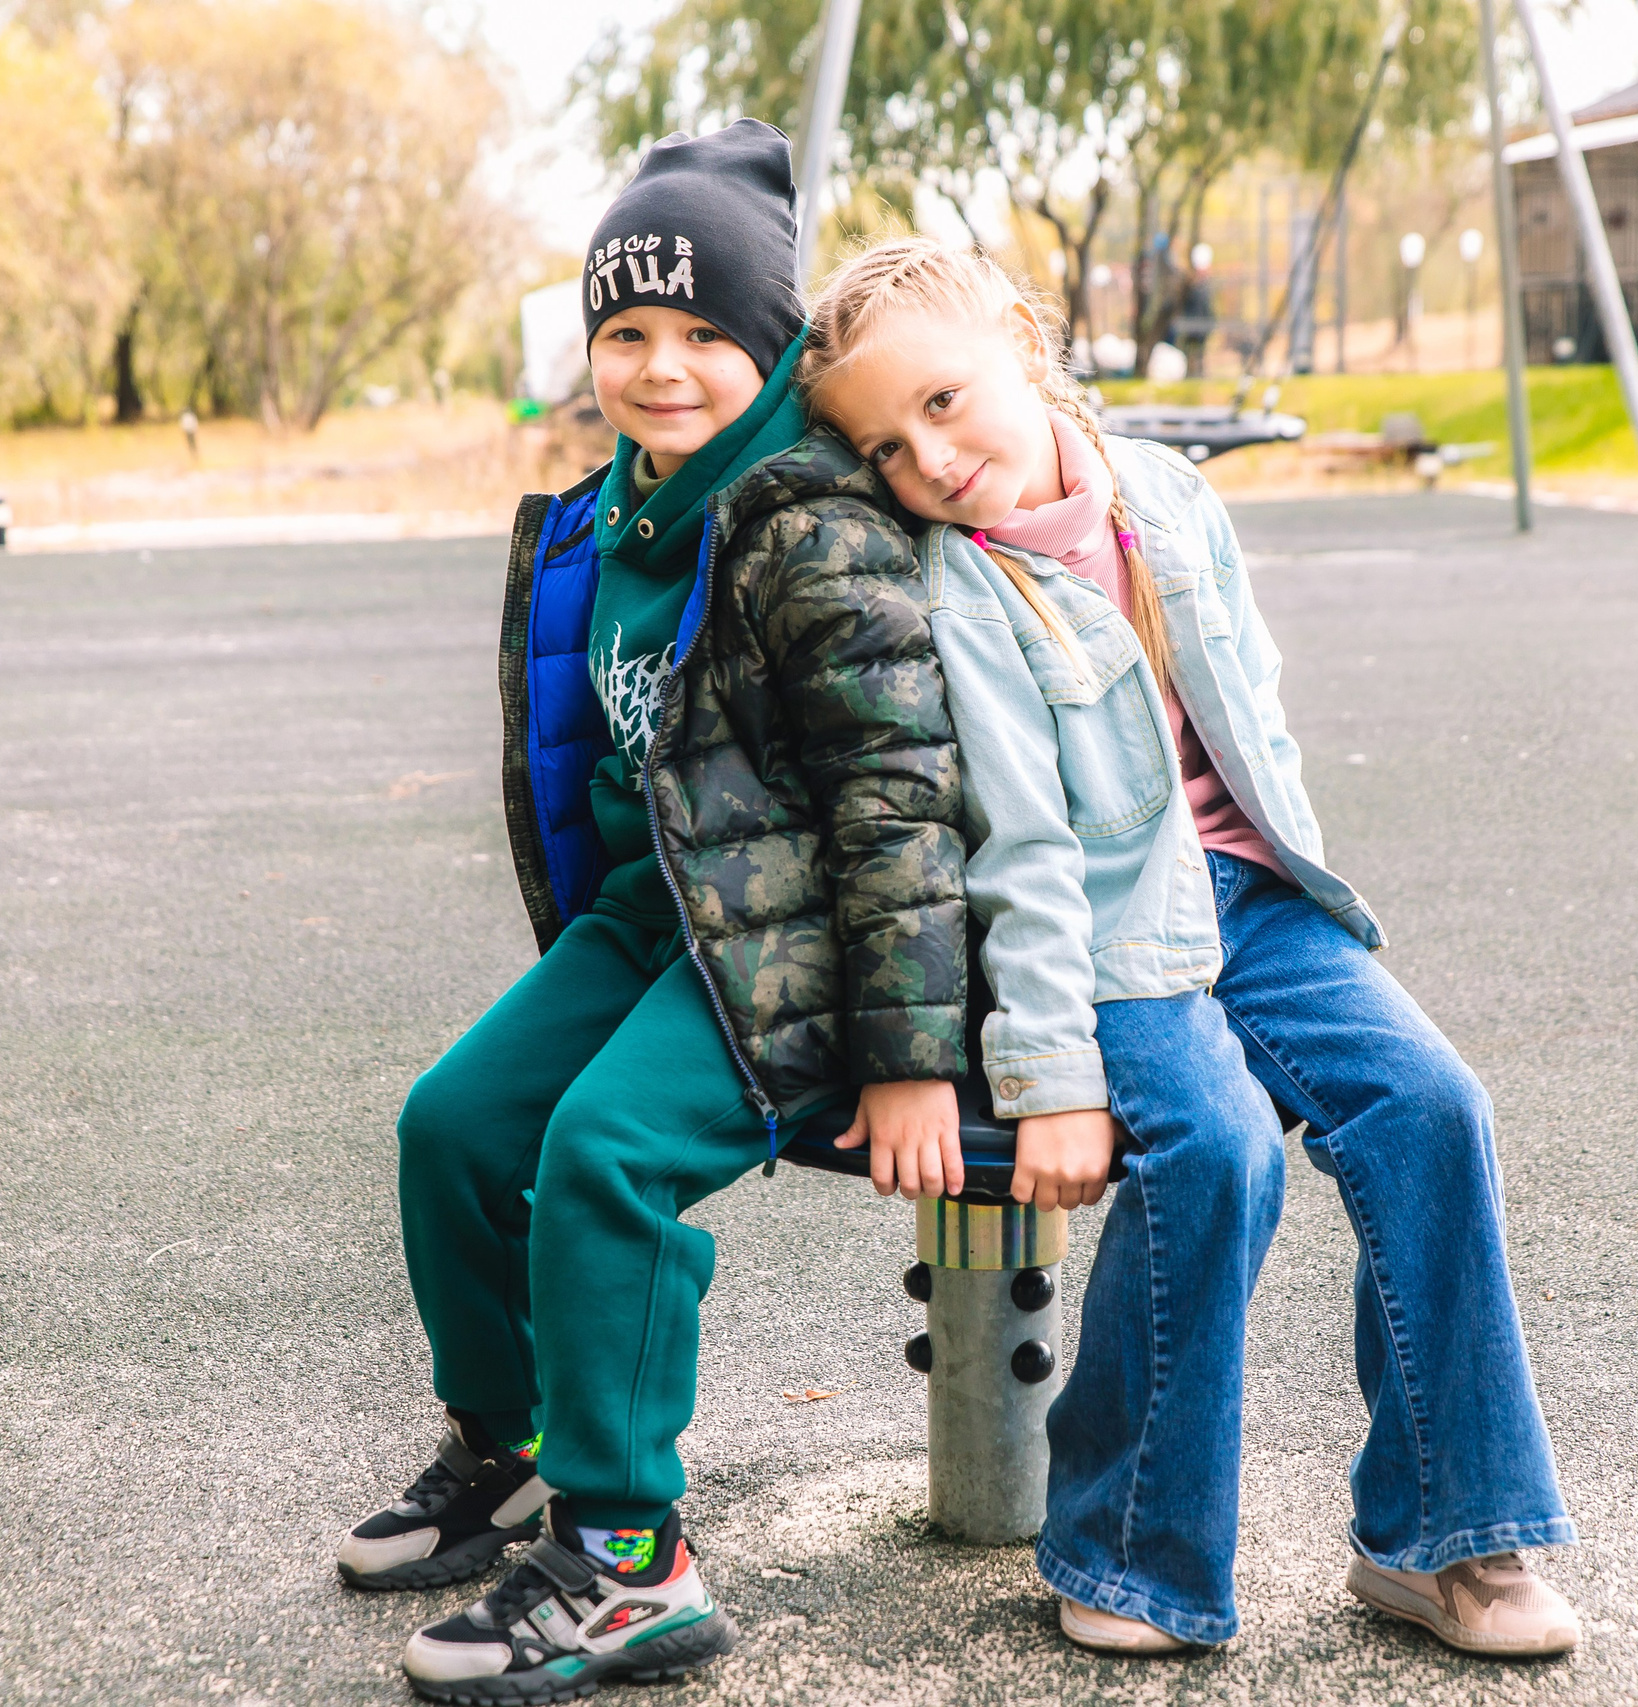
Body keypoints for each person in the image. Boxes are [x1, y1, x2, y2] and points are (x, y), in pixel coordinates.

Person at [799, 236, 1582, 1660]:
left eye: (946, 402)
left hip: (1257, 898)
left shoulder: (1168, 499)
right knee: (1220, 1152)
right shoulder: (961, 590)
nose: (927, 456)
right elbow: (1020, 858)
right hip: (1109, 944)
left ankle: (1444, 1539)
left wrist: (1305, 883)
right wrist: (1050, 1076)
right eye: (888, 444)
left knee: (1430, 1107)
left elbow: (1255, 715)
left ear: (1025, 347)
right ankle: (1129, 1545)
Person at [342, 123, 969, 1704]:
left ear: (768, 348)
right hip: (658, 915)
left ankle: (631, 1558)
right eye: (627, 332)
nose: (663, 366)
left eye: (707, 335)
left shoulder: (808, 525)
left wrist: (908, 1056)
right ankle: (518, 1444)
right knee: (457, 1128)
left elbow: (896, 801)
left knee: (602, 1152)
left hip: (801, 945)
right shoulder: (611, 513)